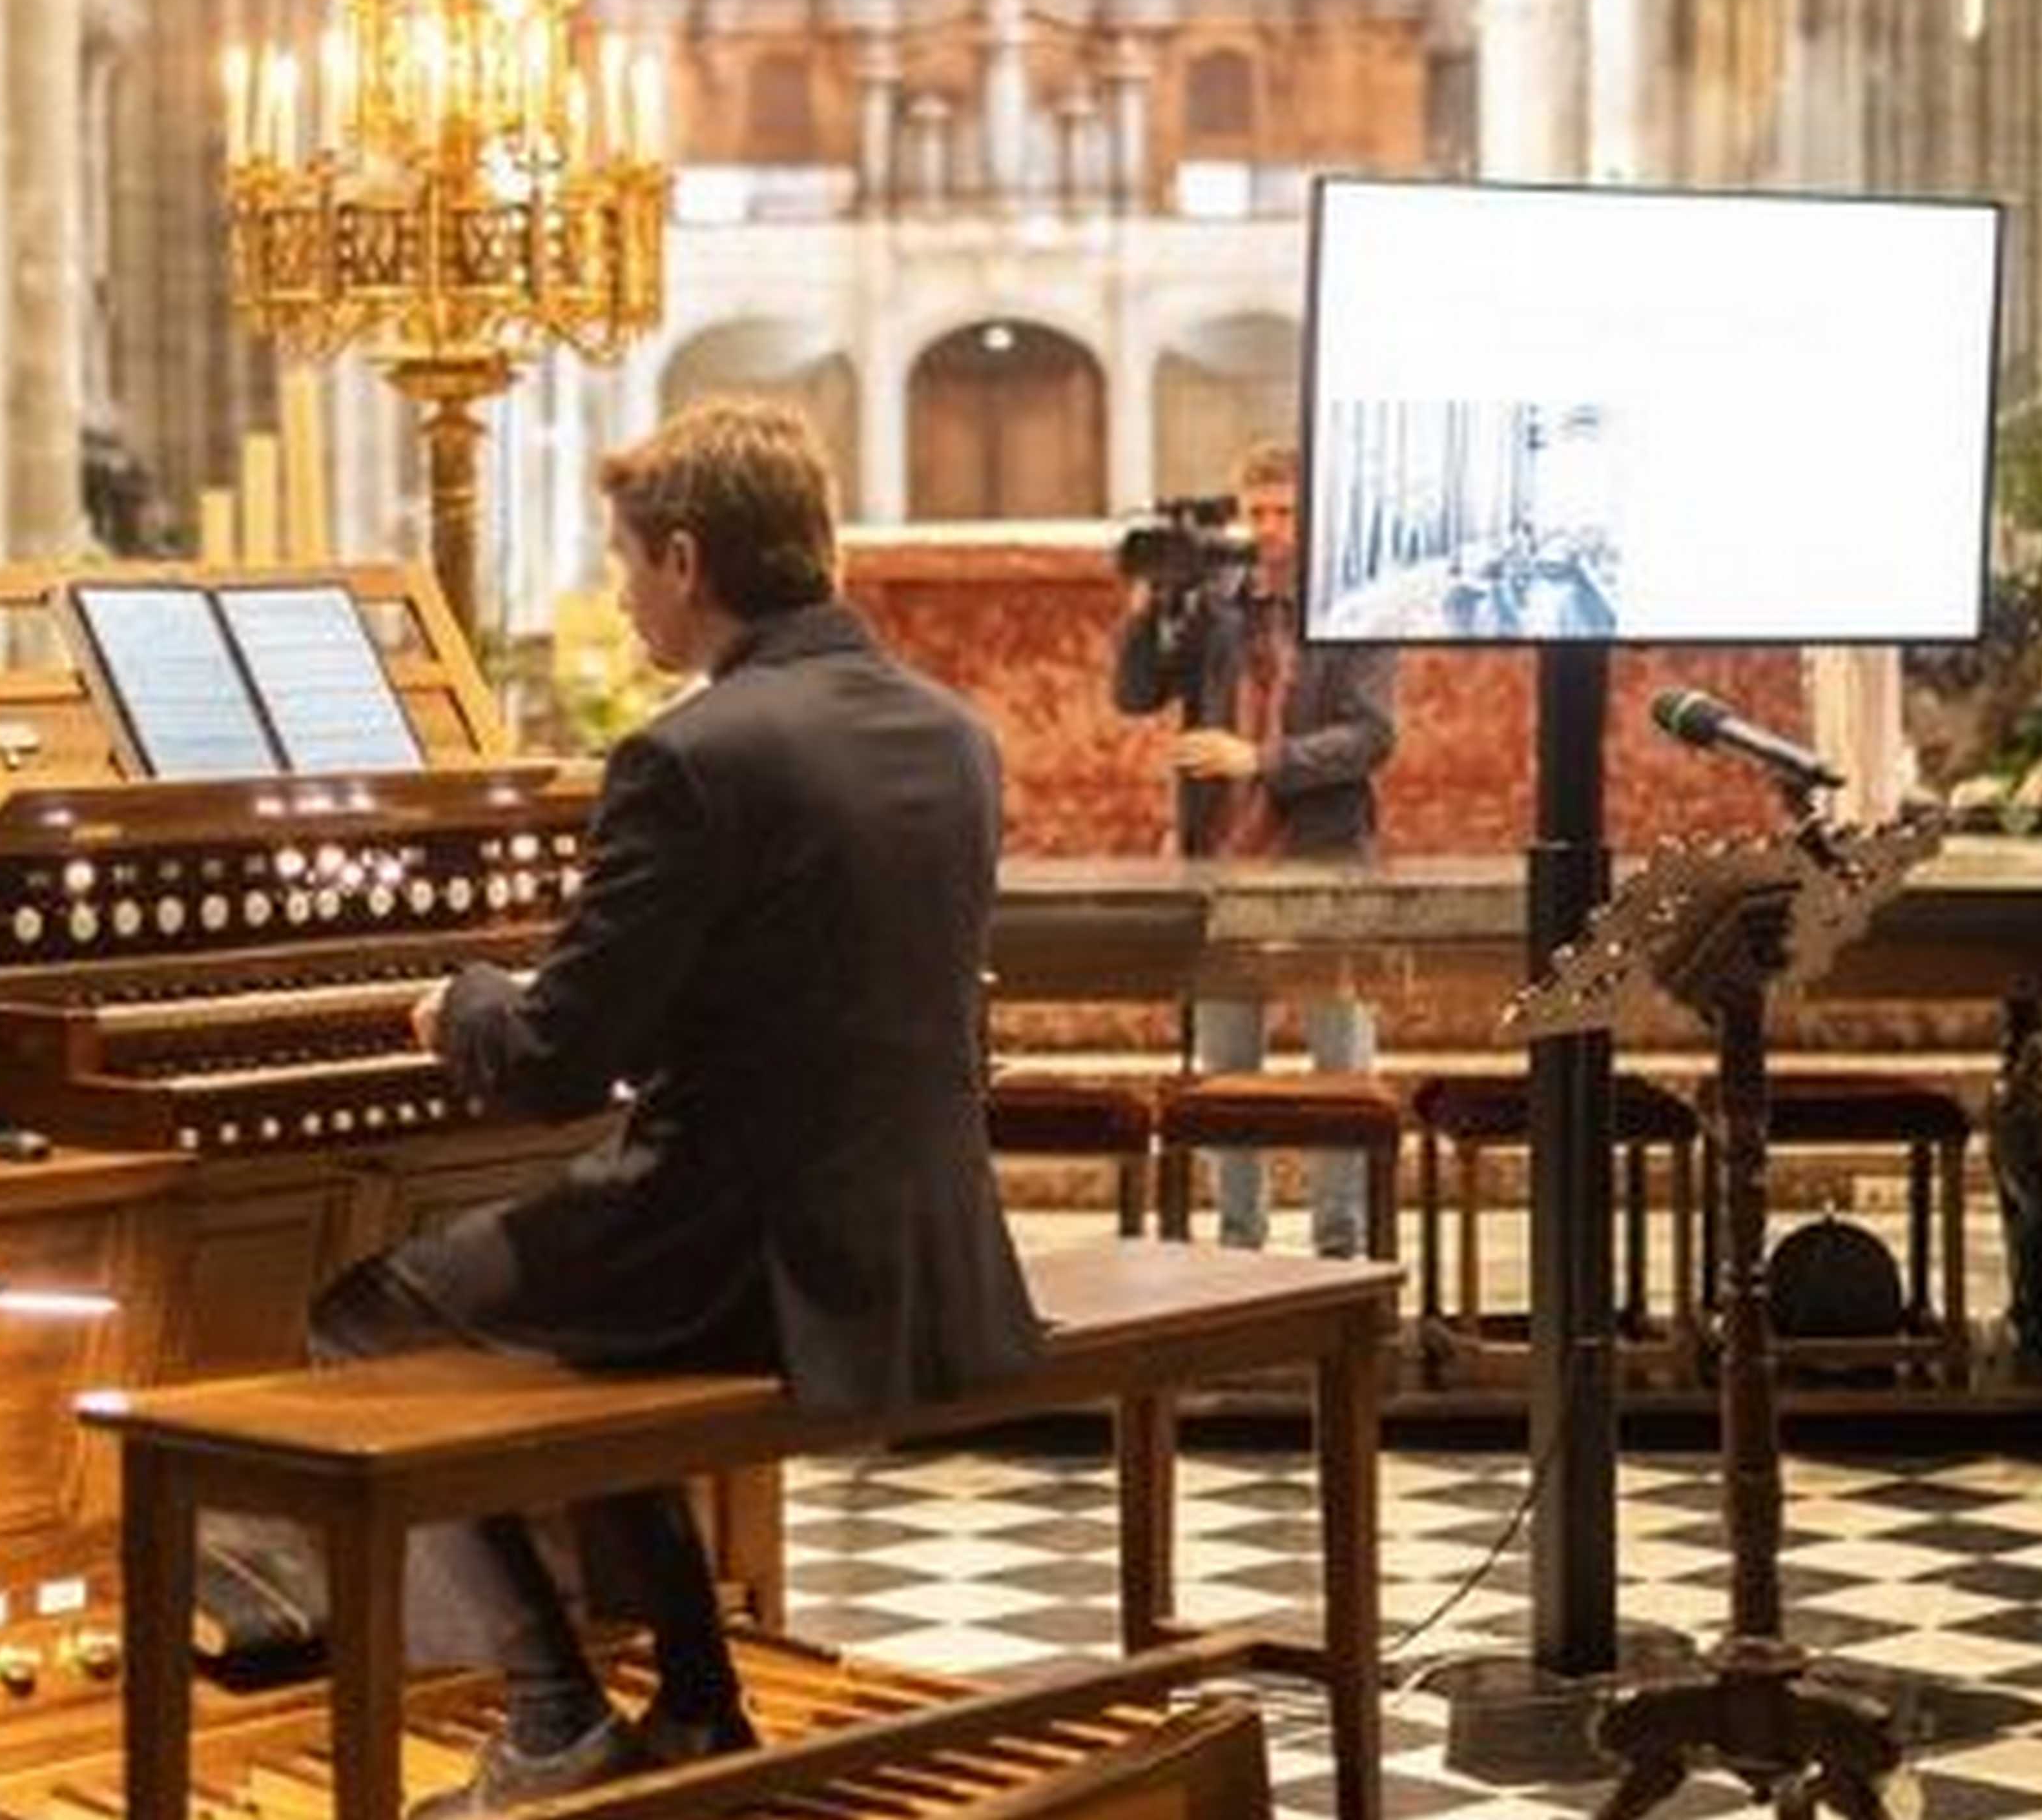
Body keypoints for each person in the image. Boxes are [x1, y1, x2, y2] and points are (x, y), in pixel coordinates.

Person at [311, 398, 1046, 1819]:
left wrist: (457, 1001)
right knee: (570, 1341)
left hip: (738, 1249)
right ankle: (696, 1698)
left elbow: (554, 1067)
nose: (622, 589)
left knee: (359, 1314)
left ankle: (550, 1712)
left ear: (689, 560)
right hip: (921, 1234)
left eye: (625, 560)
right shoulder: (952, 732)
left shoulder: (692, 756)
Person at [1110, 445, 1398, 1257]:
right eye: (1257, 512)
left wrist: (1260, 760)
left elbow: (1373, 736)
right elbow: (1134, 696)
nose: (1269, 530)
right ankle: (1239, 1250)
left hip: (1323, 866)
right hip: (1224, 867)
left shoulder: (1356, 608)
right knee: (1227, 1075)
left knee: (1339, 1074)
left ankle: (1339, 1251)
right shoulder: (1214, 606)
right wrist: (1147, 604)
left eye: (1285, 512)